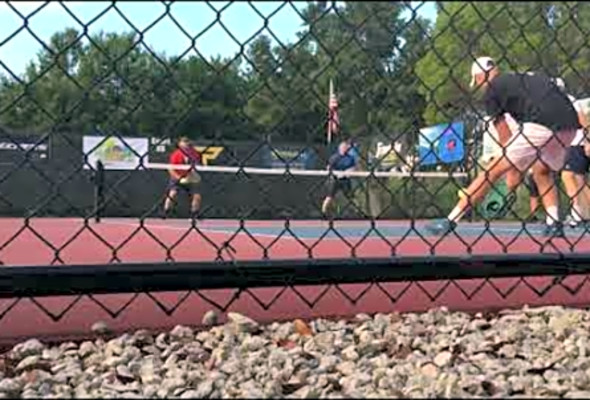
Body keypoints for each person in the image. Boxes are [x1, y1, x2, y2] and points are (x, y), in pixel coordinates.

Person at [427, 56, 580, 237]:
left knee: (492, 170)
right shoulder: (523, 76)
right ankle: (554, 223)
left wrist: (511, 167)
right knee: (542, 170)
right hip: (569, 124)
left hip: (541, 120)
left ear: (479, 76)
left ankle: (451, 220)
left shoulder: (491, 91)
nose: (480, 85)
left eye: (477, 81)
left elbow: (504, 136)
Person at [553, 78, 590, 228]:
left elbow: (583, 121)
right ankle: (580, 211)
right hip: (570, 143)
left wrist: (588, 141)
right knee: (573, 178)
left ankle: (580, 213)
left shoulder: (568, 101)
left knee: (574, 178)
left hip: (576, 143)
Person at [163, 136, 202, 219]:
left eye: (187, 142)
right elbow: (170, 169)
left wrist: (193, 174)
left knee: (197, 195)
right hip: (177, 176)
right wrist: (178, 178)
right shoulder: (176, 154)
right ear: (180, 144)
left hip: (190, 177)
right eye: (184, 142)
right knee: (173, 193)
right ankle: (166, 212)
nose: (186, 144)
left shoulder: (195, 153)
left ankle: (194, 214)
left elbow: (197, 166)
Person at [321, 139, 358, 217]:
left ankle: (356, 212)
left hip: (345, 180)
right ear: (340, 148)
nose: (345, 148)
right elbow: (329, 168)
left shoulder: (350, 158)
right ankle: (324, 212)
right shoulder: (334, 157)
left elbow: (353, 167)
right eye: (343, 147)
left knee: (351, 197)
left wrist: (347, 172)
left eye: (346, 147)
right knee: (329, 196)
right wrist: (336, 174)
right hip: (334, 180)